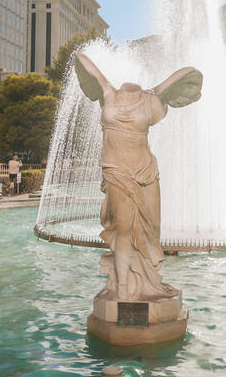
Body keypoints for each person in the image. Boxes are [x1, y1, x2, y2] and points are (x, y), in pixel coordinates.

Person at [73, 52, 202, 302]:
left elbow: (188, 72)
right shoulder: (108, 94)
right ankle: (123, 288)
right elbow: (81, 58)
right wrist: (101, 78)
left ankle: (149, 281)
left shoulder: (151, 100)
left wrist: (158, 88)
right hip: (117, 171)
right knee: (123, 230)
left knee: (152, 229)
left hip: (145, 171)